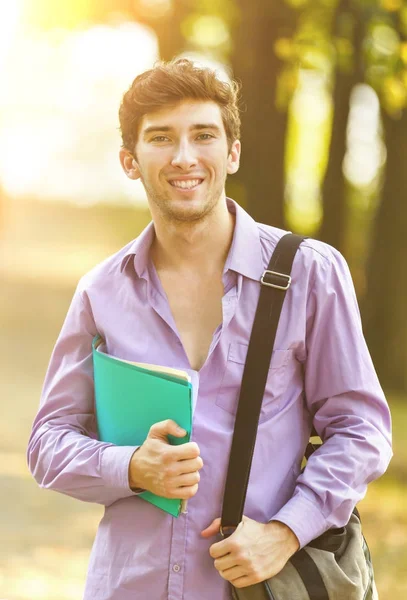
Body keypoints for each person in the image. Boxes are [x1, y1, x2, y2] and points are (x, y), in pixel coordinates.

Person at [27, 58, 392, 600]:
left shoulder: (309, 274)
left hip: (261, 588)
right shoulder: (101, 292)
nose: (184, 157)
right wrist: (130, 466)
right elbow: (47, 442)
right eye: (160, 138)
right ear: (130, 160)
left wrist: (286, 531)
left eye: (203, 135)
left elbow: (362, 430)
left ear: (233, 152)